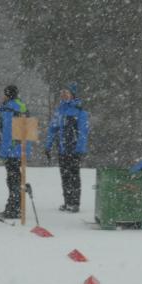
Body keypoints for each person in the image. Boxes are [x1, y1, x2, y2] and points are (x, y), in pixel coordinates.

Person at [45, 83, 89, 212]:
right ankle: (67, 201)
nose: (63, 95)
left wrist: (80, 148)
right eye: (62, 92)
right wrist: (48, 145)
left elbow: (83, 131)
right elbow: (53, 129)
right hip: (62, 148)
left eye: (66, 92)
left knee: (74, 175)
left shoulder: (80, 111)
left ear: (72, 95)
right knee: (64, 176)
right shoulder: (59, 111)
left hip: (73, 148)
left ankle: (75, 203)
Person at [0, 84, 30, 220]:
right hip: (17, 149)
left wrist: (6, 150)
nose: (2, 96)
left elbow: (8, 133)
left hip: (13, 150)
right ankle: (16, 206)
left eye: (4, 94)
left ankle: (14, 208)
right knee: (14, 178)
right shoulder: (17, 106)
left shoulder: (11, 108)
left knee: (13, 179)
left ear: (8, 95)